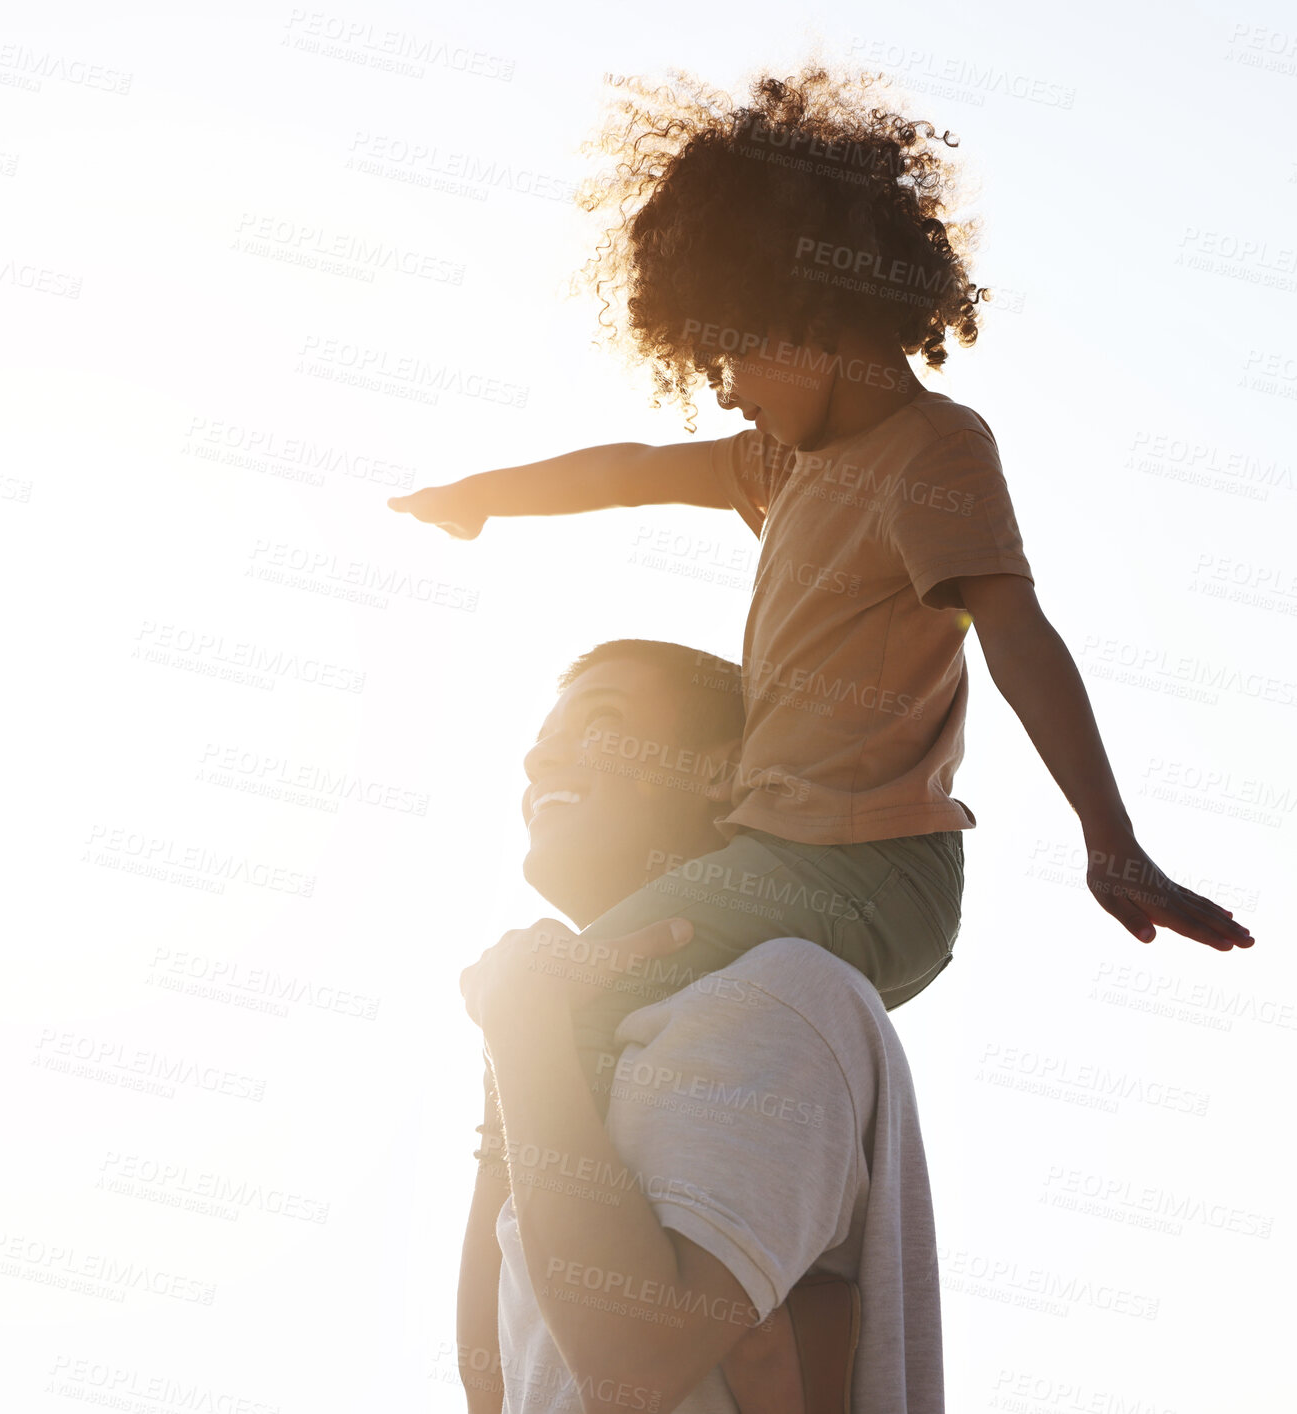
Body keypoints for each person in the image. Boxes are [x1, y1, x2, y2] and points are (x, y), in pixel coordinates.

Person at [396, 65, 1255, 1279]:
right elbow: (629, 467)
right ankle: (592, 1298)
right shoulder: (782, 465)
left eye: (728, 357)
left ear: (805, 308)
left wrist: (1106, 838)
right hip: (776, 857)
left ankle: (665, 1312)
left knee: (550, 996)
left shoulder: (931, 453)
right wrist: (486, 498)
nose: (723, 390)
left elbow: (1019, 639)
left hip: (866, 871)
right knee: (587, 995)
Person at [457, 639, 945, 1412]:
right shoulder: (564, 1056)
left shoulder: (779, 995)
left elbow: (633, 1368)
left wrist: (522, 1033)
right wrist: (512, 1056)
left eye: (600, 723)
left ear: (720, 773)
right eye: (541, 745)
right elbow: (498, 1387)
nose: (540, 762)